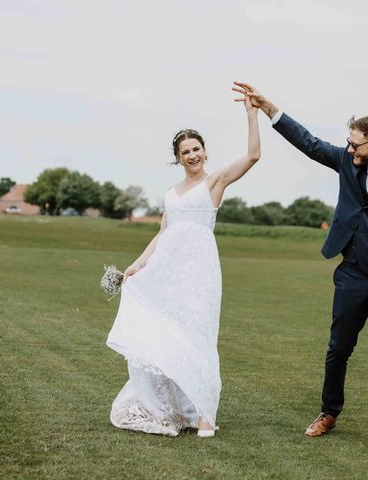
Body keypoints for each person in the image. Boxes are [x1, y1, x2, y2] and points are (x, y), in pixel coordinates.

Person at [232, 82, 368, 452]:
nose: (349, 148)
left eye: (355, 143)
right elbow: (310, 143)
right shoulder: (348, 162)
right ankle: (328, 413)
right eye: (348, 142)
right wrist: (270, 109)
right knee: (338, 347)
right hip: (352, 274)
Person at [106, 84, 260, 437]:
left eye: (196, 149)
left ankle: (205, 414)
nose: (191, 155)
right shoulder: (171, 194)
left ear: (205, 152)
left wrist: (251, 114)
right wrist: (137, 264)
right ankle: (176, 409)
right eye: (184, 151)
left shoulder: (215, 183)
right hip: (167, 272)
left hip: (200, 272)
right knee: (166, 335)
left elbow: (252, 156)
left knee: (200, 339)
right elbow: (162, 233)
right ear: (176, 157)